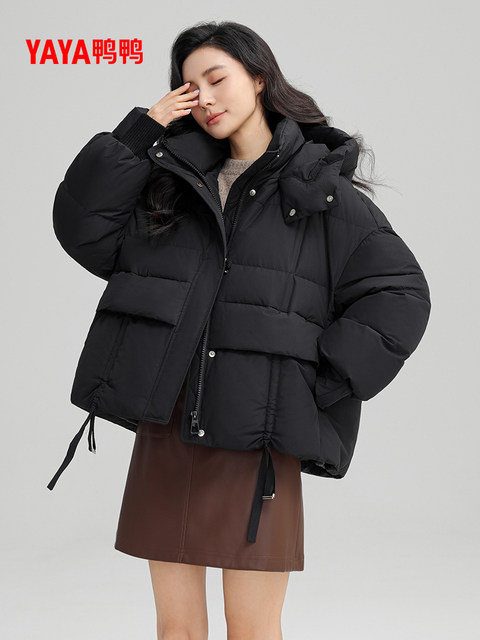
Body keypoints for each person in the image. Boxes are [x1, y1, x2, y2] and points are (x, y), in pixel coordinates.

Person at [47, 20, 431, 640]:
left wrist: (318, 382)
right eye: (189, 87)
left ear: (258, 78)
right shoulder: (169, 187)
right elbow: (83, 228)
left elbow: (400, 293)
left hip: (258, 436)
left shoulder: (319, 192)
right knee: (175, 629)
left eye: (216, 78)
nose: (204, 97)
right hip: (168, 430)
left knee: (252, 629)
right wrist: (142, 131)